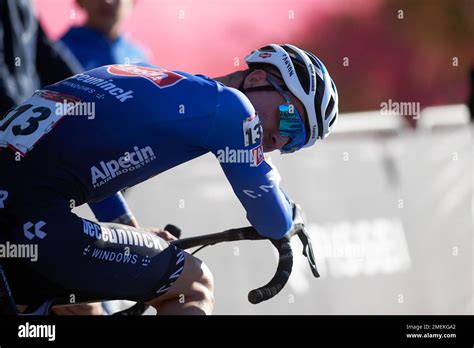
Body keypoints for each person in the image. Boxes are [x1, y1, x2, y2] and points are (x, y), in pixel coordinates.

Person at [0, 44, 338, 315]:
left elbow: (90, 168)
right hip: (35, 221)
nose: (280, 140)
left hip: (18, 217)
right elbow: (271, 218)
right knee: (194, 285)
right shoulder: (233, 109)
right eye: (290, 121)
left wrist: (127, 227)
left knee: (83, 308)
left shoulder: (158, 82)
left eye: (295, 142)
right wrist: (292, 218)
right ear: (256, 79)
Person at [0, 0, 82, 115]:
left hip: (23, 106)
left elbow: (45, 51)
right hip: (11, 116)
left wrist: (84, 88)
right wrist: (18, 115)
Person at [60, 0, 148, 71]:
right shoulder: (60, 52)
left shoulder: (139, 56)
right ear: (80, 1)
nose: (107, 1)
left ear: (133, 2)